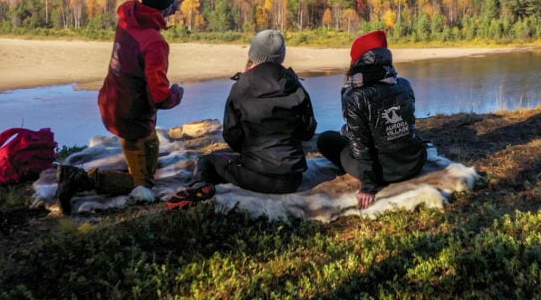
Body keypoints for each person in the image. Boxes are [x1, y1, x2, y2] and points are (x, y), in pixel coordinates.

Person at [57, 0, 185, 215]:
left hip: (113, 103)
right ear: (166, 8)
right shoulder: (155, 42)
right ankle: (82, 180)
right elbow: (159, 97)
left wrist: (169, 6)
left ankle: (132, 173)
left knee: (148, 156)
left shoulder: (129, 19)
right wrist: (176, 93)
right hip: (133, 118)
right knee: (144, 185)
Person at [166, 29, 317, 210]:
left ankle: (198, 186)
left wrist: (249, 151)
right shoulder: (295, 85)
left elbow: (231, 135)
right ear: (281, 56)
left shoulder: (241, 86)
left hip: (255, 176)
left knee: (209, 160)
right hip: (293, 179)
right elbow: (308, 131)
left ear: (253, 54)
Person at [317, 30, 428, 210]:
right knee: (349, 131)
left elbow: (360, 146)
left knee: (326, 139)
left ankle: (372, 173)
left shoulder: (355, 94)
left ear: (359, 61)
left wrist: (368, 188)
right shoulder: (404, 84)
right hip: (414, 162)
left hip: (384, 172)